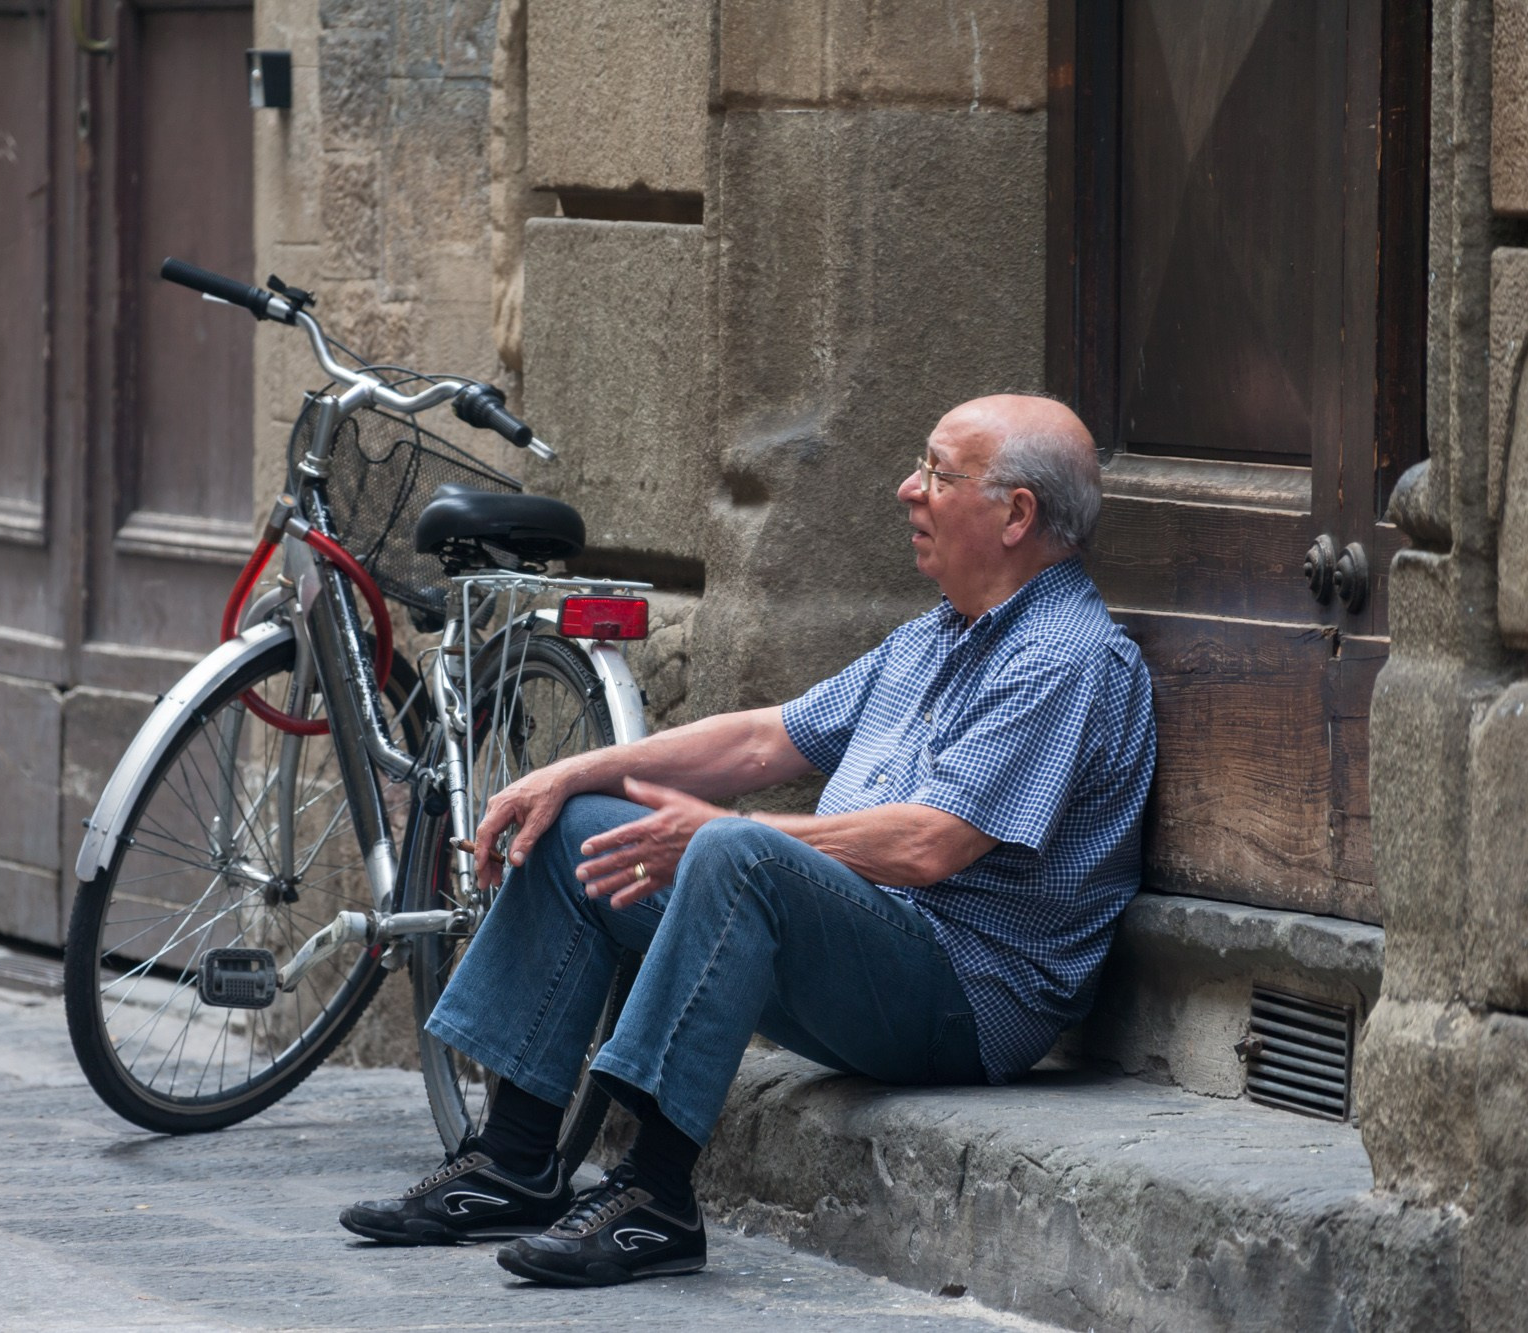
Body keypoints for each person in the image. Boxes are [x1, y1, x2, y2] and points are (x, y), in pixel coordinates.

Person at [339, 394, 1156, 1287]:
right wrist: (576, 772)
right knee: (576, 824)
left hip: (959, 999)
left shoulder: (1063, 657)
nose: (906, 488)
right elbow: (766, 740)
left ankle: (654, 1196)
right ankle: (513, 1158)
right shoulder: (938, 633)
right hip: (867, 947)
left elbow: (931, 846)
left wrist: (731, 833)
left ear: (1016, 514)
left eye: (936, 472)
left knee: (736, 855)